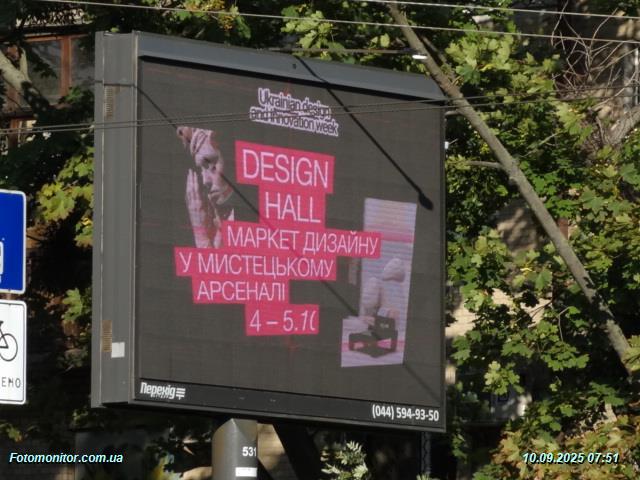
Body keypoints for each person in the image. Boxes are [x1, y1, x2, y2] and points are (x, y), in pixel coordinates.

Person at [177, 126, 234, 248]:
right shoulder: (218, 216)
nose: (205, 181)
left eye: (211, 165)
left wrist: (201, 236)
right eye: (201, 170)